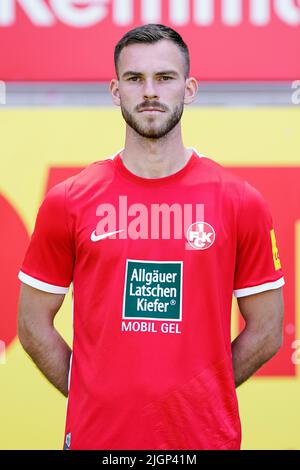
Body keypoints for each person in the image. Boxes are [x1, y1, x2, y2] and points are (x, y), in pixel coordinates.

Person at [18, 24, 284, 450]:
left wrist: (201, 392)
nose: (149, 92)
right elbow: (32, 323)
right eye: (134, 79)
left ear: (190, 88)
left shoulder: (241, 202)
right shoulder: (69, 200)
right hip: (98, 441)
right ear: (115, 90)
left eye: (164, 78)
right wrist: (90, 392)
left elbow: (268, 330)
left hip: (204, 443)